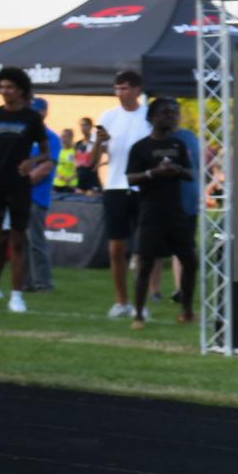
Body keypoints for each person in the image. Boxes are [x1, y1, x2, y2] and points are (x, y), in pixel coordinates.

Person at [0, 67, 50, 313]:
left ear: (21, 90)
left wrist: (32, 162)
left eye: (10, 87)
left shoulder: (31, 118)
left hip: (19, 184)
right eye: (2, 86)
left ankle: (17, 296)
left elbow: (46, 152)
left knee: (17, 240)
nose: (5, 91)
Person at [125, 98, 196, 330]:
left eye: (174, 113)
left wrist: (176, 169)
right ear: (153, 117)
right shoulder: (140, 147)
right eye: (166, 113)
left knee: (190, 260)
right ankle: (138, 314)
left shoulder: (177, 145)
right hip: (151, 212)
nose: (171, 117)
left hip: (176, 212)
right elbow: (131, 178)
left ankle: (186, 310)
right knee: (145, 263)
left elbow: (190, 174)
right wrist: (154, 173)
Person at [91, 71, 152, 317]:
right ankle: (120, 301)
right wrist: (98, 142)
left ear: (137, 90)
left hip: (144, 188)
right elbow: (93, 162)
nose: (120, 93)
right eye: (117, 89)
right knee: (116, 249)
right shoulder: (108, 116)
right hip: (115, 187)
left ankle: (141, 303)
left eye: (125, 88)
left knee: (145, 250)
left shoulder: (148, 116)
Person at [24, 98, 61, 293]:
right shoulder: (25, 135)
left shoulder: (50, 138)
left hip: (37, 195)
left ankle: (44, 282)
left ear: (45, 112)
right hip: (20, 195)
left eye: (36, 111)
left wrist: (21, 181)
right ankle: (25, 281)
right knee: (21, 240)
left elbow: (46, 167)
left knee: (35, 241)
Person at [170, 118, 201, 307]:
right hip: (173, 199)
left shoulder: (188, 137)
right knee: (178, 247)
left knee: (185, 247)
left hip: (187, 199)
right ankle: (179, 288)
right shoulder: (162, 138)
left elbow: (195, 167)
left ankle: (183, 289)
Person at [74, 117, 101, 193]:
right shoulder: (78, 144)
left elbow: (93, 160)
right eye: (81, 125)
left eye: (85, 125)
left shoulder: (95, 143)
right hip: (80, 180)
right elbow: (75, 162)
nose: (83, 128)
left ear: (91, 126)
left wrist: (96, 143)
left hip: (91, 180)